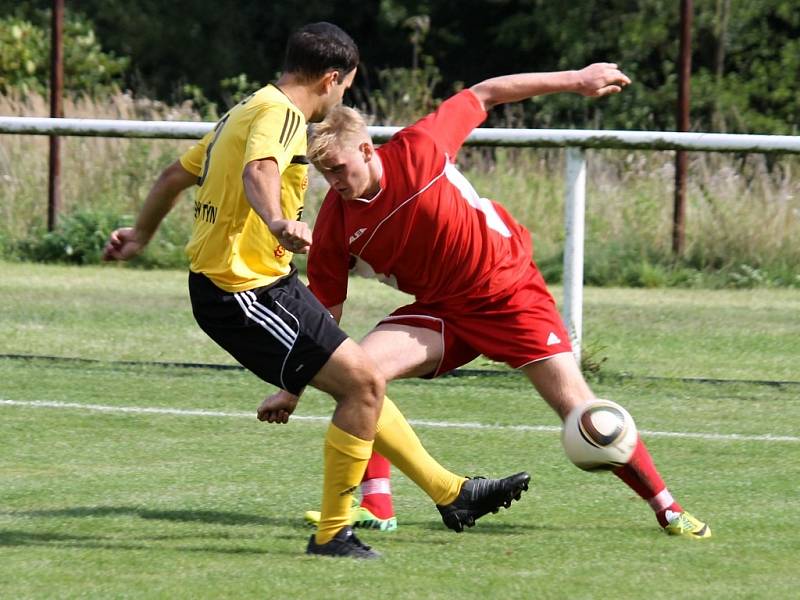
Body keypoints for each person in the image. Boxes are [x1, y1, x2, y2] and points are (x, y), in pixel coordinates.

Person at [103, 22, 530, 560]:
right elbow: (259, 170)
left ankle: (453, 493)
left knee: (364, 380)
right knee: (361, 388)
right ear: (331, 78)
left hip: (265, 283)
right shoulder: (281, 114)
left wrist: (140, 233)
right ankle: (334, 535)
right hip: (240, 291)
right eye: (347, 86)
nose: (343, 96)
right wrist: (279, 221)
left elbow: (172, 176)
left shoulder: (246, 108)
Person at [261, 62, 710, 539]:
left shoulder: (421, 148)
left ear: (369, 150)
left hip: (507, 292)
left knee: (583, 414)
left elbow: (486, 92)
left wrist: (578, 80)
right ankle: (376, 505)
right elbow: (325, 318)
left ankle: (668, 508)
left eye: (339, 169)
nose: (333, 181)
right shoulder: (334, 222)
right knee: (359, 374)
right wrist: (293, 386)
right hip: (440, 310)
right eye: (324, 172)